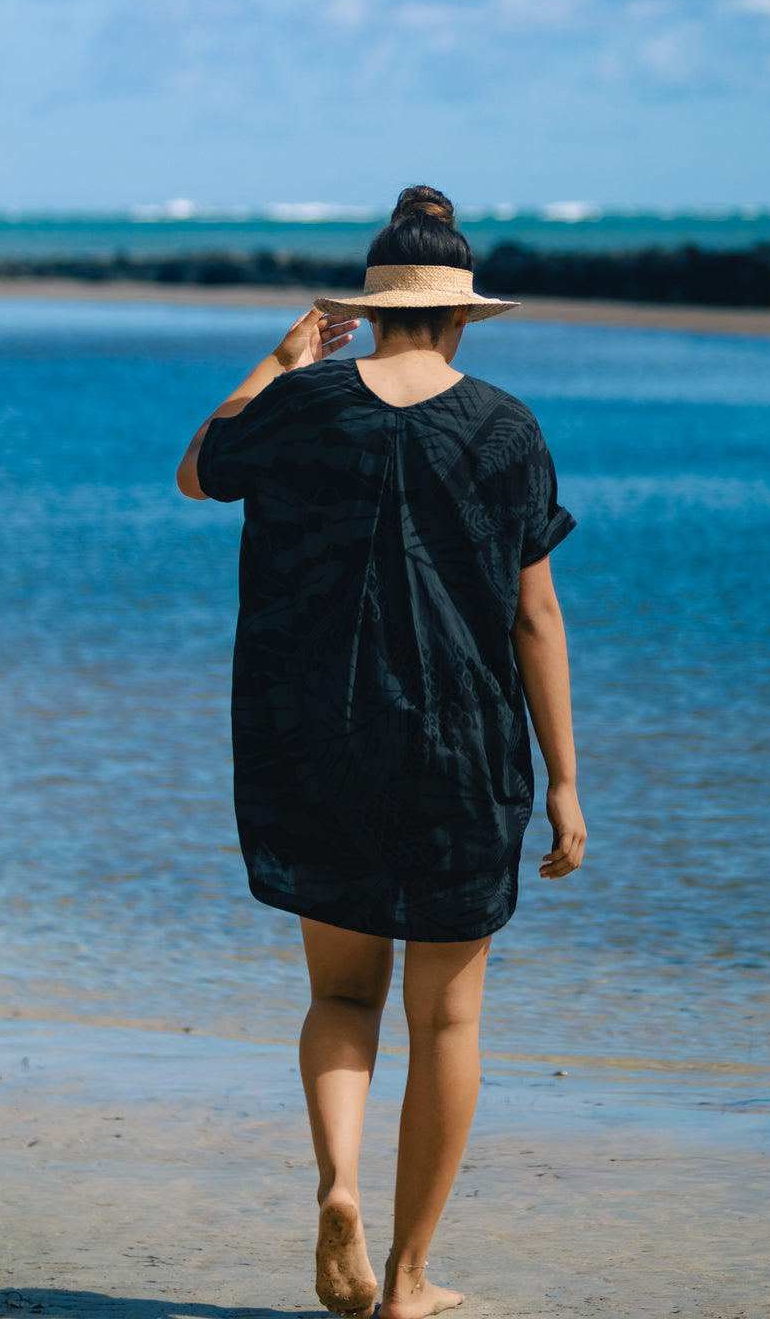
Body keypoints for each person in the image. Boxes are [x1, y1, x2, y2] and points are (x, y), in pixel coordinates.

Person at [176, 185, 586, 1319]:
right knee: (446, 1018)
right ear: (460, 316)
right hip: (460, 747)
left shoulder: (304, 404)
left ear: (368, 303)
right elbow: (534, 618)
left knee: (343, 995)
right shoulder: (505, 428)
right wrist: (562, 780)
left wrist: (278, 356)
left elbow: (198, 470)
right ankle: (406, 1279)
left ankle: (339, 1186)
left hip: (320, 736)